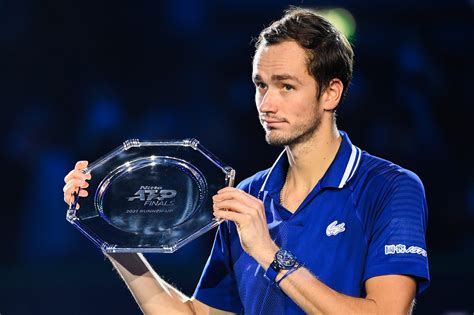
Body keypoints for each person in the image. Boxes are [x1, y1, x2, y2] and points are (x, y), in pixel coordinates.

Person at [63, 7, 429, 314]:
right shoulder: (248, 196)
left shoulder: (391, 186)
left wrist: (270, 254)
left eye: (286, 86)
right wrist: (109, 232)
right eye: (260, 85)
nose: (267, 104)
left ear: (331, 92)